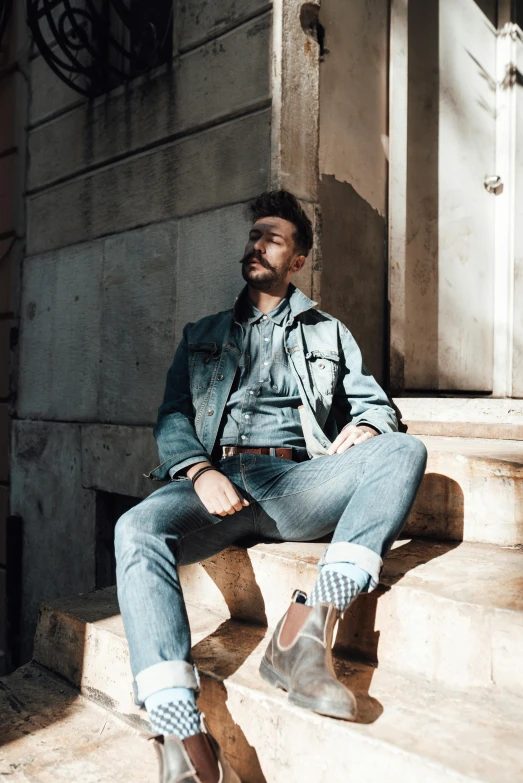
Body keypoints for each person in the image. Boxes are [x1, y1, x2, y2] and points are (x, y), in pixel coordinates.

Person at [115, 190, 427, 783]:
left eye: (274, 238)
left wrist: (366, 424)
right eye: (254, 235)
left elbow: (377, 405)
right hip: (219, 484)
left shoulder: (330, 333)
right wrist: (199, 471)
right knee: (135, 528)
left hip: (296, 482)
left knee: (404, 450)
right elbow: (173, 417)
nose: (257, 245)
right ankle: (183, 734)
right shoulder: (202, 333)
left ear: (299, 260)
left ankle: (306, 632)